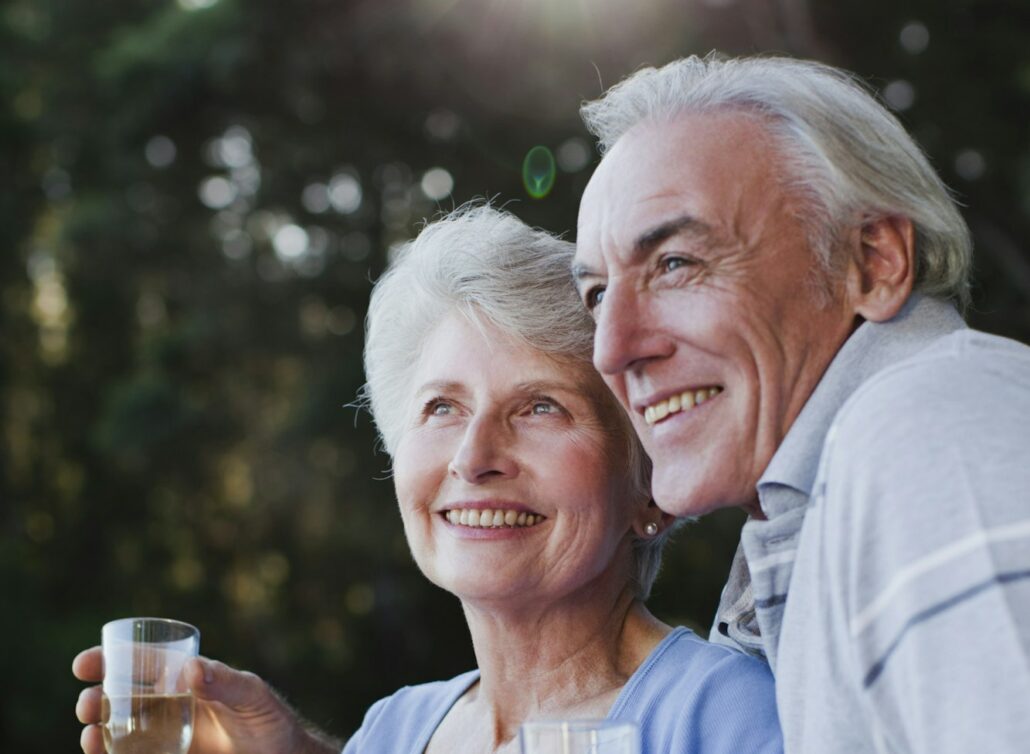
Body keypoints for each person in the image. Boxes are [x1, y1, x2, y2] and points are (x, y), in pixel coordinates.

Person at [74, 206, 783, 754]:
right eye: (442, 407)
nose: (474, 458)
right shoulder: (397, 727)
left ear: (650, 487)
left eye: (540, 407)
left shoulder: (726, 718)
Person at [572, 53, 1030, 753]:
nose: (611, 349)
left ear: (872, 261)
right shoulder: (818, 510)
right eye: (598, 294)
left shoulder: (925, 429)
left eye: (675, 264)